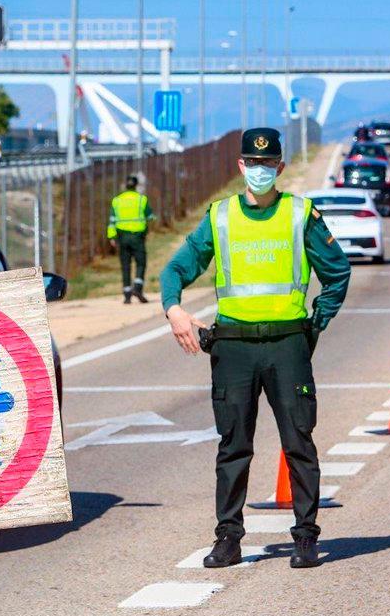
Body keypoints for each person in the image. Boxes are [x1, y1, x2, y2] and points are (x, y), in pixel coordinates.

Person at [160, 127, 351, 569]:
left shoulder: (300, 213)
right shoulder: (221, 216)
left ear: (280, 167)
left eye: (268, 164)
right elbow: (176, 269)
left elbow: (337, 273)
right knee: (233, 447)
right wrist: (174, 310)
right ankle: (228, 538)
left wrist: (313, 325)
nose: (260, 170)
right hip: (234, 350)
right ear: (240, 166)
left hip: (287, 346)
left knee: (298, 443)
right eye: (253, 163)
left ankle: (305, 537)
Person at [107, 175, 155, 304]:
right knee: (141, 262)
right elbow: (150, 216)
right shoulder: (141, 199)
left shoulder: (116, 200)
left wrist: (111, 237)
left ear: (125, 185)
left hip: (122, 237)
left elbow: (111, 221)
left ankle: (127, 294)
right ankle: (138, 288)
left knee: (125, 265)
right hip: (137, 237)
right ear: (136, 185)